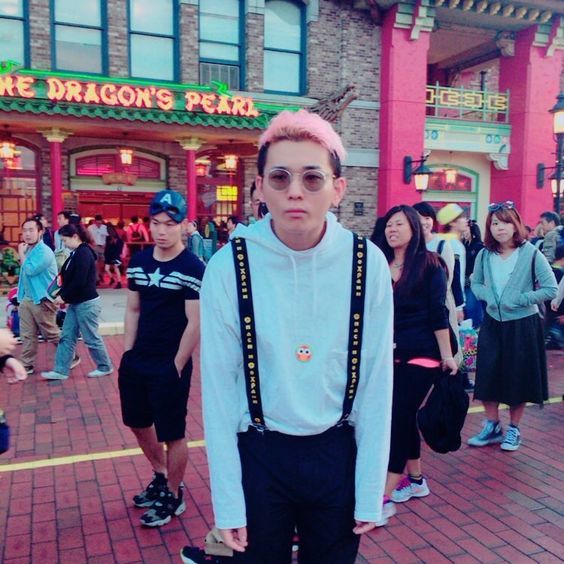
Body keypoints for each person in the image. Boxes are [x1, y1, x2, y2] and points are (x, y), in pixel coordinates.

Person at [191, 110, 393, 564]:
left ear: (338, 189)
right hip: (260, 454)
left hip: (336, 452)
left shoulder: (367, 263)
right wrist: (228, 502)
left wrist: (369, 489)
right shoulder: (229, 265)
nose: (295, 191)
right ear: (260, 187)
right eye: (280, 177)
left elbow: (377, 385)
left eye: (312, 178)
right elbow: (219, 392)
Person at [118, 189, 204, 528]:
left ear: (183, 225)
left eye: (169, 224)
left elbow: (195, 322)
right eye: (156, 223)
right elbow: (133, 309)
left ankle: (173, 494)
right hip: (138, 359)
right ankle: (160, 473)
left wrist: (177, 364)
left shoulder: (192, 267)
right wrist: (127, 353)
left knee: (173, 433)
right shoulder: (139, 262)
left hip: (170, 363)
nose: (161, 230)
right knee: (137, 422)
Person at [376, 205, 457, 516]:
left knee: (397, 416)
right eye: (388, 225)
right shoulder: (380, 264)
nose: (392, 229)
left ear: (413, 227)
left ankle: (385, 493)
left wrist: (447, 356)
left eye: (399, 224)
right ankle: (417, 480)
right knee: (404, 415)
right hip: (391, 353)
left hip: (423, 352)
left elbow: (438, 312)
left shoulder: (430, 264)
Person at [468, 202, 557, 451]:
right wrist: (487, 295)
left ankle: (514, 429)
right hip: (492, 323)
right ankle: (492, 426)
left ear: (516, 225)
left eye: (506, 222)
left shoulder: (531, 253)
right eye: (495, 223)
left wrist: (520, 298)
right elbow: (476, 283)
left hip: (523, 325)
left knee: (518, 377)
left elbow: (550, 288)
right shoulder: (485, 254)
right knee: (487, 375)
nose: (500, 228)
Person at [40, 224, 113, 381]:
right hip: (76, 303)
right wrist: (63, 294)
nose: (64, 244)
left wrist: (64, 297)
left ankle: (104, 366)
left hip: (86, 303)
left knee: (91, 338)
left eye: (65, 240)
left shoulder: (83, 253)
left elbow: (79, 281)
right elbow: (69, 279)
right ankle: (60, 370)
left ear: (75, 236)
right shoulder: (77, 253)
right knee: (67, 336)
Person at [412, 202, 462, 366]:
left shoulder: (442, 245)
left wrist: (459, 306)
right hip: (416, 307)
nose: (423, 222)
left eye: (427, 218)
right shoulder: (410, 244)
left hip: (439, 304)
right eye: (418, 218)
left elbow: (449, 279)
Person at [16, 217, 61, 375]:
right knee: (27, 334)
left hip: (43, 299)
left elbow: (30, 270)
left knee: (51, 333)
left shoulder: (45, 251)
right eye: (24, 231)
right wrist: (19, 296)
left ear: (40, 232)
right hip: (27, 298)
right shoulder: (28, 250)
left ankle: (71, 356)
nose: (27, 234)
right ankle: (27, 364)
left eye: (31, 230)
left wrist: (20, 253)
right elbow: (24, 276)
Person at [437, 203, 467, 322]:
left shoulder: (440, 240)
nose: (466, 220)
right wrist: (459, 305)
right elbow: (456, 275)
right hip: (450, 300)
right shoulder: (454, 244)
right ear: (452, 222)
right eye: (462, 217)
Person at [461, 220, 485, 328]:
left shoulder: (479, 246)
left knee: (472, 306)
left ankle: (477, 327)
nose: (464, 233)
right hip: (464, 280)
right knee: (467, 306)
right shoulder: (463, 245)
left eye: (466, 231)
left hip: (473, 280)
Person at [88, 214, 109, 284]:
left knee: (103, 263)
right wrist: (91, 243)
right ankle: (97, 279)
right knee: (95, 263)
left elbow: (108, 237)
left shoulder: (105, 227)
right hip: (94, 246)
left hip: (103, 247)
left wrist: (105, 244)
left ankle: (101, 275)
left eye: (100, 223)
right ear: (95, 221)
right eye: (97, 223)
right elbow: (88, 236)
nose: (99, 224)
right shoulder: (90, 228)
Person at [104, 222, 125, 288]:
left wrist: (119, 254)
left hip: (115, 255)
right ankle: (113, 279)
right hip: (109, 255)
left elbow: (119, 246)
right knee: (107, 269)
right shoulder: (108, 238)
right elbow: (107, 247)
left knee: (116, 268)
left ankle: (119, 282)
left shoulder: (117, 239)